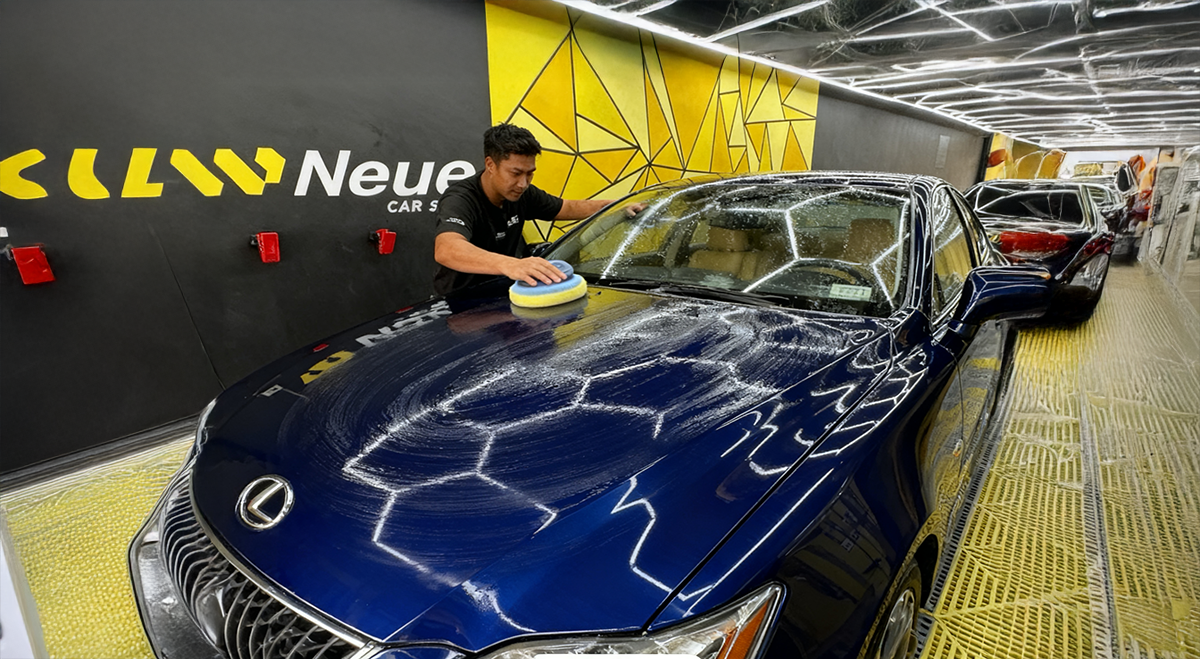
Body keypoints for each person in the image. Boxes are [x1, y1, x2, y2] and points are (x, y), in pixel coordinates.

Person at [432, 123, 614, 296]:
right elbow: (447, 249)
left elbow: (566, 207)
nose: (523, 183)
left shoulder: (523, 194)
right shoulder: (460, 198)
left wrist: (616, 206)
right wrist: (511, 264)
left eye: (530, 173)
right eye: (516, 173)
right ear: (490, 165)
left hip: (503, 295)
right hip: (459, 302)